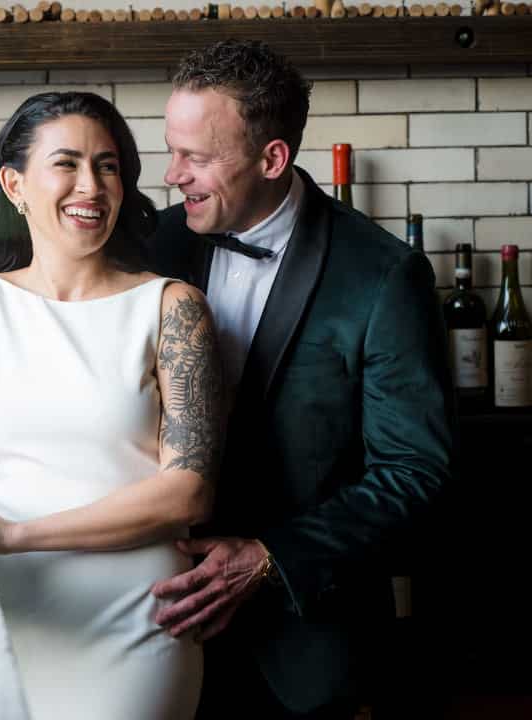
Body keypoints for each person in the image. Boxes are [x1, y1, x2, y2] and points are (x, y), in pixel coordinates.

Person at [0, 91, 224, 720]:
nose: (91, 186)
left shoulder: (173, 308)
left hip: (139, 614)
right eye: (66, 164)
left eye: (108, 165)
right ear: (15, 183)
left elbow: (188, 494)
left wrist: (16, 535)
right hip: (8, 605)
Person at [144, 40, 454, 719]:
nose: (172, 175)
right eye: (172, 150)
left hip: (304, 644)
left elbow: (414, 473)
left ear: (272, 158)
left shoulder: (384, 275)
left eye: (195, 157)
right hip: (151, 628)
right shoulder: (151, 246)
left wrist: (266, 559)